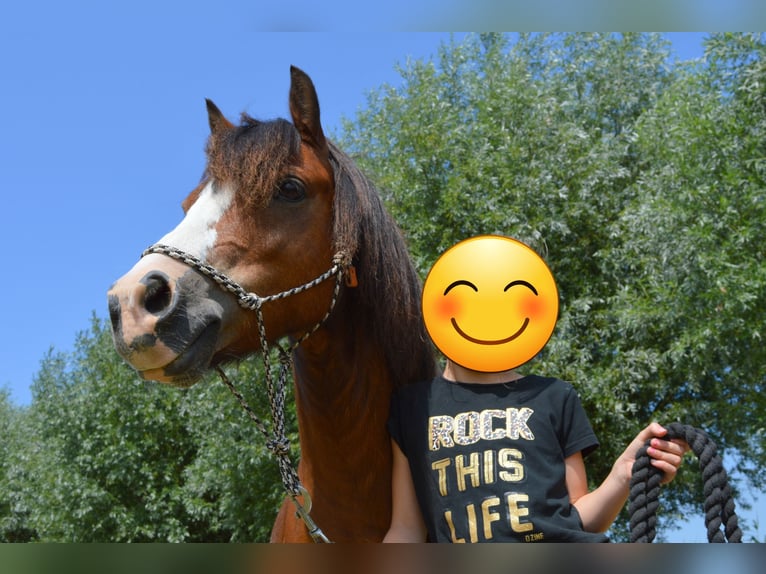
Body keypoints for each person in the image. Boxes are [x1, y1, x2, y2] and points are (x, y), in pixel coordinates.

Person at [383, 236, 688, 542]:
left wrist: (624, 474)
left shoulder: (555, 397)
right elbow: (406, 529)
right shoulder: (413, 407)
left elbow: (580, 519)